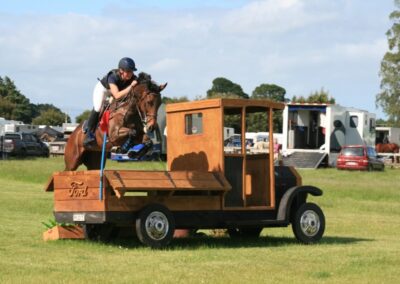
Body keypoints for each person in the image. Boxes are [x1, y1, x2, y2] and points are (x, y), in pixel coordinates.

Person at [84, 57, 139, 146]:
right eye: (128, 71)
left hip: (114, 93)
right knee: (98, 107)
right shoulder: (112, 76)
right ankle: (89, 134)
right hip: (103, 90)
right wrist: (131, 87)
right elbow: (117, 95)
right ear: (121, 70)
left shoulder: (132, 77)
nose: (130, 74)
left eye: (132, 71)